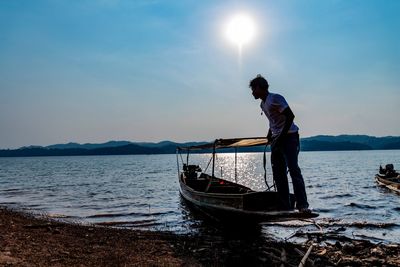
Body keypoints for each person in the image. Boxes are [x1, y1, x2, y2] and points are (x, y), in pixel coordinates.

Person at [249, 74, 310, 212]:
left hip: (289, 138)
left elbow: (290, 116)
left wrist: (281, 137)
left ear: (259, 87)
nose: (252, 92)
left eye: (253, 89)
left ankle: (303, 205)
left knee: (294, 170)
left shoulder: (275, 98)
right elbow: (273, 120)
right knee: (278, 173)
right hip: (277, 139)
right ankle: (285, 205)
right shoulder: (263, 104)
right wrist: (270, 133)